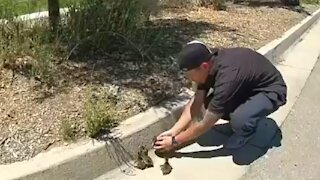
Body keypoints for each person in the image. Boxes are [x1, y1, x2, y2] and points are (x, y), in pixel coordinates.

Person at [153, 41, 287, 152]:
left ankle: (246, 131)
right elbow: (197, 101)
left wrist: (175, 142)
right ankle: (245, 116)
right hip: (248, 88)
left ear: (204, 66)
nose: (188, 78)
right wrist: (173, 131)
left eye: (188, 75)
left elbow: (206, 122)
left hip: (271, 91)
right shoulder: (210, 64)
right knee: (209, 103)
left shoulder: (227, 78)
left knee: (239, 119)